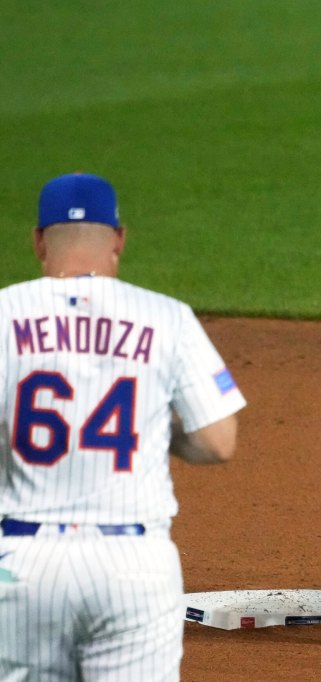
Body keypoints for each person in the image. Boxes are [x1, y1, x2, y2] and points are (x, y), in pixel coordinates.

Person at [0, 173, 246, 679]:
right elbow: (219, 442)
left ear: (38, 242)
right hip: (133, 565)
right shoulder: (166, 317)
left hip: (22, 563)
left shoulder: (5, 313)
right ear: (119, 238)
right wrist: (157, 435)